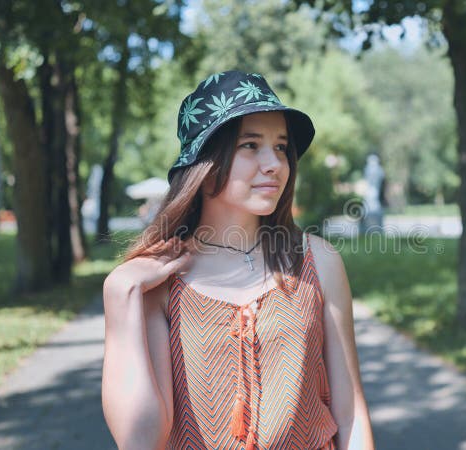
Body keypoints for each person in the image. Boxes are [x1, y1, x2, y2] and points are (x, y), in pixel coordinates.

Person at [101, 70, 374, 450]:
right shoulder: (159, 283)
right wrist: (120, 292)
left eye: (281, 147)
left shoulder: (317, 262)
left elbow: (350, 415)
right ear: (205, 161)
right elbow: (142, 439)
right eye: (250, 145)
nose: (275, 164)